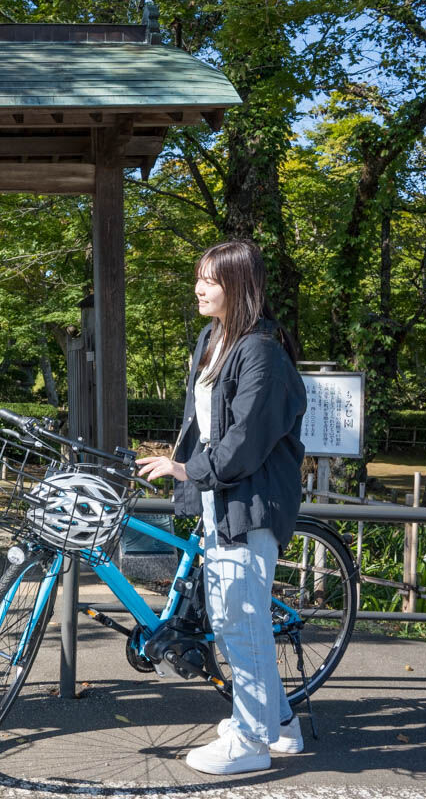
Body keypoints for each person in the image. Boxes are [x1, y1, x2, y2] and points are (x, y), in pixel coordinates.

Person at [136, 240, 307, 776]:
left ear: (238, 285)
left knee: (241, 620)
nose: (199, 287)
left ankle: (252, 744)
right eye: (199, 277)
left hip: (251, 501)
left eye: (211, 279)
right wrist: (181, 463)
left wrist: (188, 471)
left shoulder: (260, 350)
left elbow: (246, 440)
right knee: (236, 617)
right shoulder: (213, 340)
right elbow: (203, 424)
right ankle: (280, 726)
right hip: (222, 498)